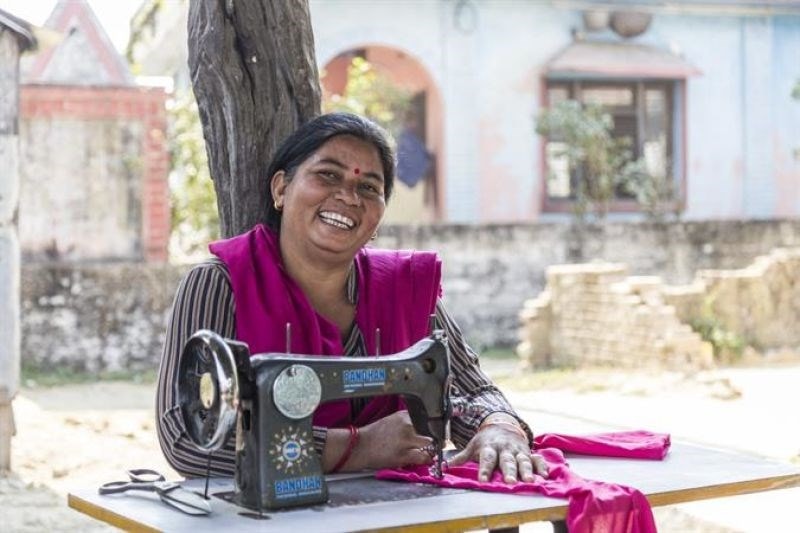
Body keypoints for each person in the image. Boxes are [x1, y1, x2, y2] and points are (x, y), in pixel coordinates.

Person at [156, 112, 547, 484]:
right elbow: (184, 436)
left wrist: (498, 426)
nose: (348, 196)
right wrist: (354, 448)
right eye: (327, 175)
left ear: (378, 217)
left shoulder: (404, 289)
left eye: (368, 188)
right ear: (281, 188)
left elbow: (471, 391)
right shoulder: (220, 284)